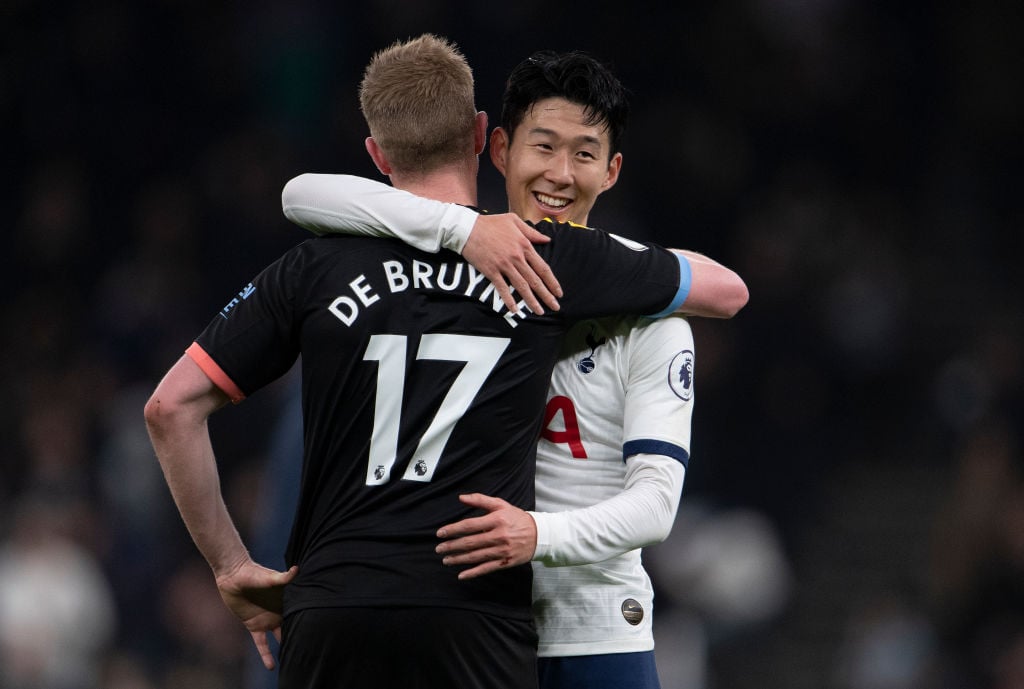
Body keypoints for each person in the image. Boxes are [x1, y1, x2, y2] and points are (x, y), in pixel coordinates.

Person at [145, 35, 708, 689]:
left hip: (332, 605)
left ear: (376, 155)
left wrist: (229, 565)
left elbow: (168, 406)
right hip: (472, 612)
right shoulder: (542, 259)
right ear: (482, 138)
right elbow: (724, 289)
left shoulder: (312, 265)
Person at [279, 49, 748, 688]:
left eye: (584, 154)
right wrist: (459, 230)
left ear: (611, 171)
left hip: (590, 632)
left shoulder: (651, 324)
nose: (560, 173)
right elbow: (303, 194)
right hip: (470, 626)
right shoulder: (446, 282)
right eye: (543, 146)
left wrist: (537, 534)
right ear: (497, 149)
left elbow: (657, 506)